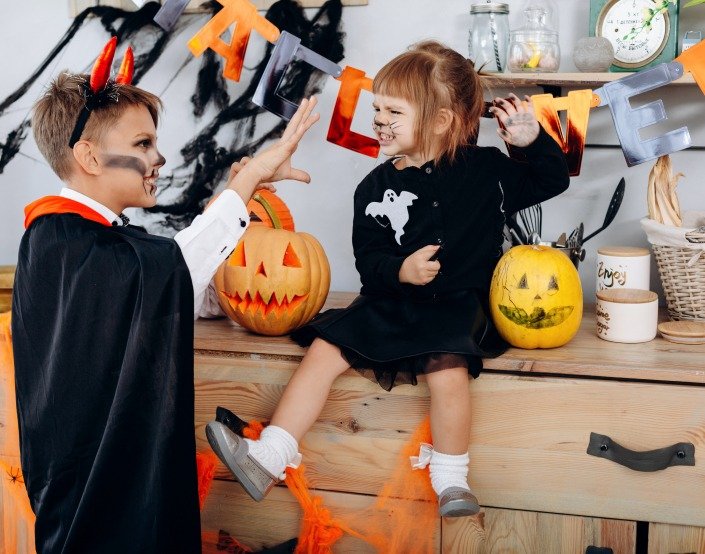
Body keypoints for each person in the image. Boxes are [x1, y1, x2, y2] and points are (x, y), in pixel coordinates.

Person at [206, 40, 569, 518]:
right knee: (323, 350)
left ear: (440, 120)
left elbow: (551, 180)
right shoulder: (375, 187)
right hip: (390, 300)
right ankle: (271, 454)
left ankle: (451, 477)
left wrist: (530, 142)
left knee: (448, 370)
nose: (379, 120)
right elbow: (369, 261)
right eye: (377, 108)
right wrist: (400, 270)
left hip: (457, 306)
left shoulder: (488, 171)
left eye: (393, 111)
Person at [11, 45, 319, 553]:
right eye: (143, 143)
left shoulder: (90, 241)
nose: (159, 158)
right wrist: (247, 181)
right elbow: (169, 270)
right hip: (94, 494)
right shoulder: (68, 242)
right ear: (89, 157)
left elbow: (164, 285)